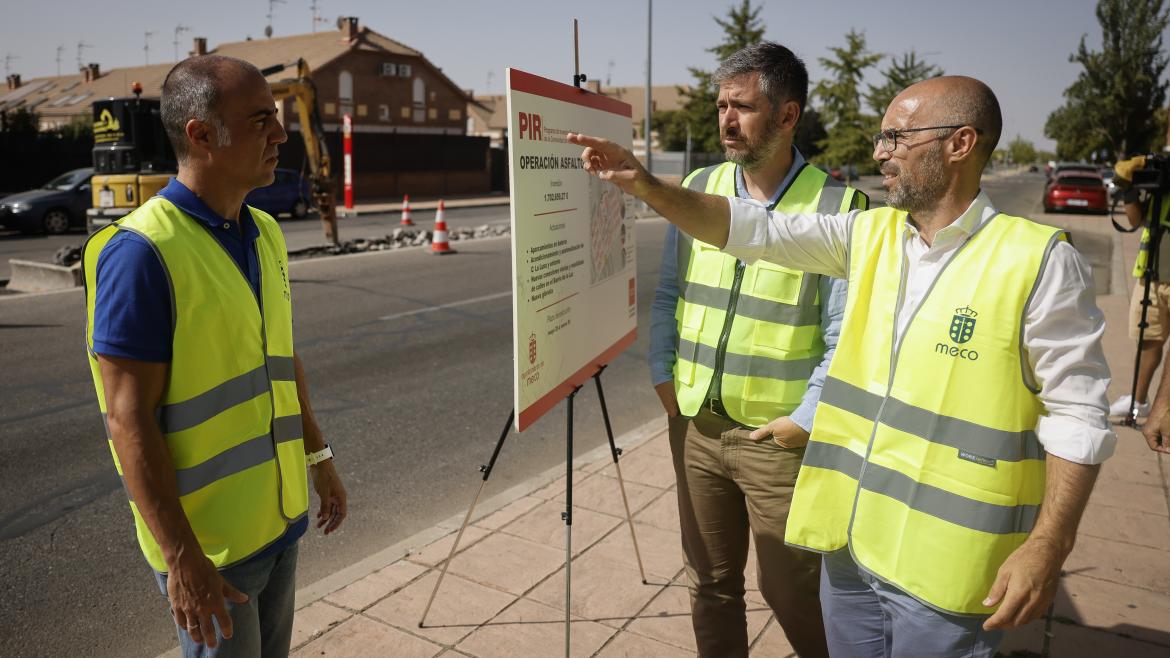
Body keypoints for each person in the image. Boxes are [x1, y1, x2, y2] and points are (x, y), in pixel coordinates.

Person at [570, 75, 1113, 657]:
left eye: (897, 137)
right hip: (851, 554)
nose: (879, 151)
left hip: (945, 575)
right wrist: (646, 185)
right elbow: (755, 230)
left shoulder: (1037, 262)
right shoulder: (870, 235)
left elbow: (1078, 415)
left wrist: (1050, 544)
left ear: (959, 144)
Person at [81, 55, 348, 657]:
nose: (280, 134)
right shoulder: (141, 253)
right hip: (211, 553)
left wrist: (318, 455)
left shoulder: (265, 231)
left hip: (277, 525)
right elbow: (128, 420)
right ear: (200, 134)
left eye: (278, 117)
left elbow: (281, 359)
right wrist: (182, 558)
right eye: (260, 120)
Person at [649, 42, 864, 658]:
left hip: (777, 444)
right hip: (696, 427)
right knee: (711, 585)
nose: (725, 120)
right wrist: (663, 372)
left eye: (741, 106)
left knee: (792, 591)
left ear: (788, 114)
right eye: (721, 105)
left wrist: (805, 420)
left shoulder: (837, 208)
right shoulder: (699, 186)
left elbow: (844, 336)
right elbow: (669, 292)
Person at [1108, 156, 1170, 420]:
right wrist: (1128, 188)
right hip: (1151, 274)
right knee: (1149, 340)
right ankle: (1138, 401)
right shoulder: (1163, 175)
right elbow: (1135, 221)